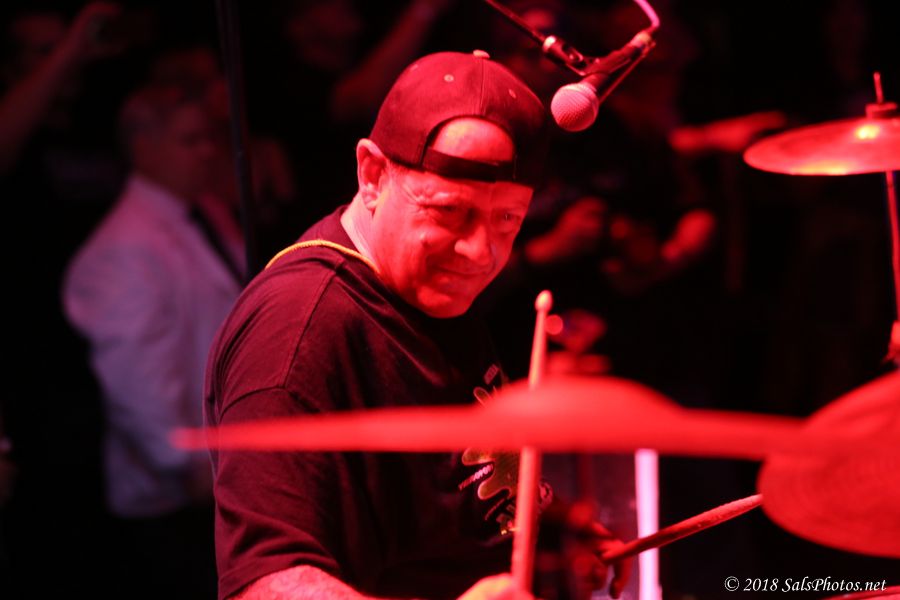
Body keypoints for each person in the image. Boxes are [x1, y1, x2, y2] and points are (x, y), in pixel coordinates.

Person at [205, 51, 629, 600]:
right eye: (450, 212)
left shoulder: (425, 287)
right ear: (372, 175)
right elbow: (264, 584)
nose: (480, 252)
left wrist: (555, 530)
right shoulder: (296, 333)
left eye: (507, 220)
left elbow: (451, 479)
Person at [64, 83, 243, 599]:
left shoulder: (204, 210)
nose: (207, 152)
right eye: (190, 140)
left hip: (223, 474)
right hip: (177, 500)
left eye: (210, 138)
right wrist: (185, 465)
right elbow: (137, 383)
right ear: (144, 146)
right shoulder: (122, 249)